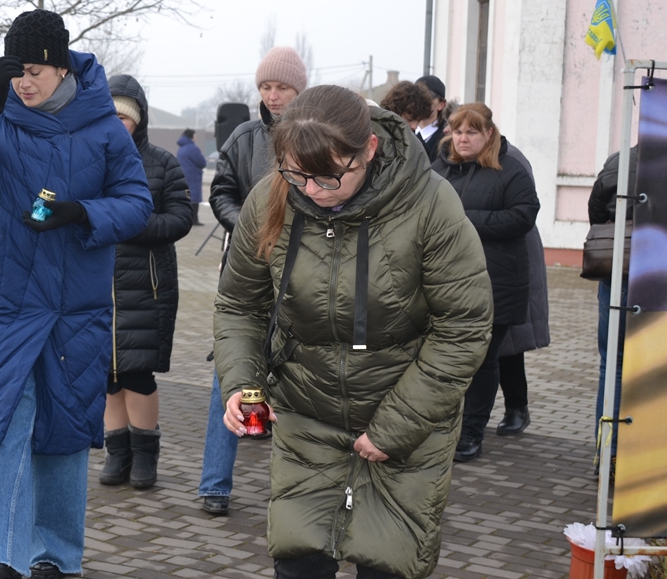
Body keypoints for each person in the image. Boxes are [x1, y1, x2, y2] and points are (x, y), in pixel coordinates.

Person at [214, 85, 492, 579]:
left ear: (369, 149)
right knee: (299, 565)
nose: (313, 191)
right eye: (297, 174)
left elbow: (463, 327)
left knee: (386, 566)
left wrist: (395, 428)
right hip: (306, 417)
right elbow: (240, 304)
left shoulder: (430, 204)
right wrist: (242, 383)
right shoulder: (273, 197)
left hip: (405, 421)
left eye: (329, 176)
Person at [0, 9, 152, 579]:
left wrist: (82, 212)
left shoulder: (104, 126)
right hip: (5, 302)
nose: (24, 82)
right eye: (16, 71)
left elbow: (137, 204)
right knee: (11, 415)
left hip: (75, 309)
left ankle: (54, 553)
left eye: (33, 70)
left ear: (59, 68)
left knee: (65, 427)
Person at [200, 45, 308, 515]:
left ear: (299, 88)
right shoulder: (242, 137)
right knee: (230, 372)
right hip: (247, 270)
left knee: (301, 382)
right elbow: (221, 190)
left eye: (281, 86)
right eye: (265, 87)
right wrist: (245, 224)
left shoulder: (317, 136)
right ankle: (214, 485)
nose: (273, 95)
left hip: (303, 275)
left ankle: (296, 492)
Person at [431, 103, 540, 462]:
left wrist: (463, 220)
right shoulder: (440, 166)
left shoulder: (511, 170)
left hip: (497, 282)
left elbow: (523, 216)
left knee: (483, 360)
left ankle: (471, 433)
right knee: (444, 359)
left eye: (472, 132)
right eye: (458, 131)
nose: (463, 139)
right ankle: (441, 429)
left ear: (488, 134)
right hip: (444, 282)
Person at [101, 74, 193, 490]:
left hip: (146, 286)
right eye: (112, 113)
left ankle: (145, 457)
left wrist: (133, 225)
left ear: (140, 119)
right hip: (99, 285)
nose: (119, 122)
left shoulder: (162, 162)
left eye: (127, 116)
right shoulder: (89, 157)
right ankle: (115, 454)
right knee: (107, 376)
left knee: (138, 374)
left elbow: (181, 217)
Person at [495, 144, 550, 436]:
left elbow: (522, 212)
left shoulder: (511, 159)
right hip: (471, 257)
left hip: (509, 259)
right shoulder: (450, 159)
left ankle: (517, 406)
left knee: (508, 343)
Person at [588, 145, 637, 462]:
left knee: (614, 365)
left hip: (619, 269)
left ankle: (607, 454)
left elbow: (596, 213)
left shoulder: (620, 161)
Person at [176, 128, 207, 225]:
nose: (196, 138)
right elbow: (201, 162)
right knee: (194, 198)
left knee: (187, 197)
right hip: (193, 176)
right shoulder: (192, 148)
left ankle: (187, 218)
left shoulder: (181, 148)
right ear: (191, 136)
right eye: (195, 136)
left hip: (184, 175)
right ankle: (194, 220)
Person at [414, 75, 449, 162]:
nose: (420, 101)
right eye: (416, 97)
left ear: (441, 104)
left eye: (427, 97)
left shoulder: (448, 138)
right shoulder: (404, 130)